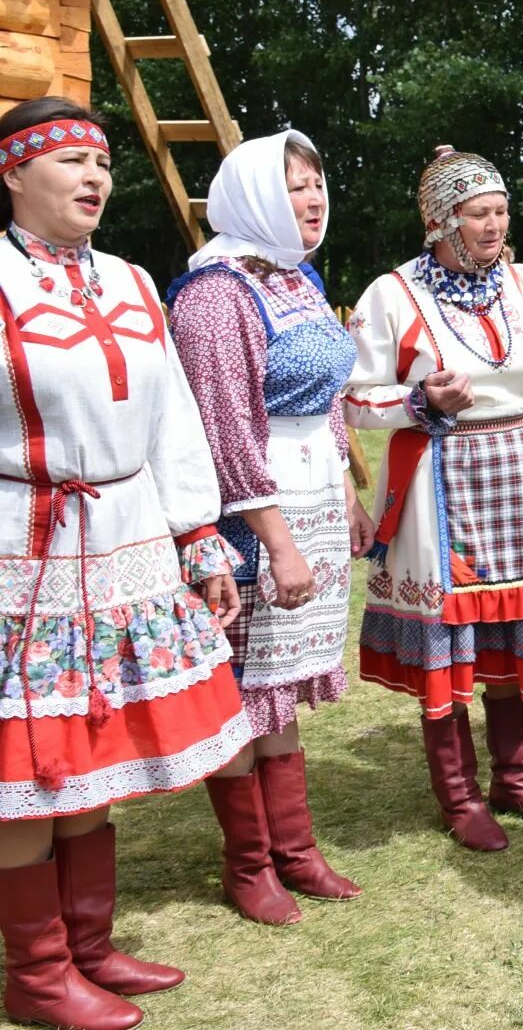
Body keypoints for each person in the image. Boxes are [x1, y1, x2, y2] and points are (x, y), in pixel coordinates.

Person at [0, 97, 251, 1030]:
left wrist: (198, 534)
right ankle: (36, 976)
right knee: (30, 756)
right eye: (68, 159)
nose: (94, 177)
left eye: (102, 160)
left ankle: (90, 947)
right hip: (22, 548)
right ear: (14, 173)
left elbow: (174, 420)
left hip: (127, 536)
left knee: (94, 742)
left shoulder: (136, 282)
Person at [345, 147, 523, 852]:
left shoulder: (521, 283)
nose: (495, 224)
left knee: (511, 637)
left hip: (517, 479)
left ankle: (514, 777)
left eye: (502, 210)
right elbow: (354, 402)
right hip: (438, 484)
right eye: (479, 213)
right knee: (451, 643)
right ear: (440, 221)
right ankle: (459, 795)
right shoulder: (392, 294)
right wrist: (417, 399)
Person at [169, 130, 370, 925]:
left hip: (313, 500)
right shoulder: (216, 294)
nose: (313, 199)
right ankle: (248, 863)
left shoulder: (296, 279)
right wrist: (278, 541)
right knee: (244, 687)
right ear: (252, 193)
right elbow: (225, 429)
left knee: (279, 691)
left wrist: (349, 494)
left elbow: (324, 398)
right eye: (293, 187)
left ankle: (296, 847)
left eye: (318, 184)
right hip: (251, 519)